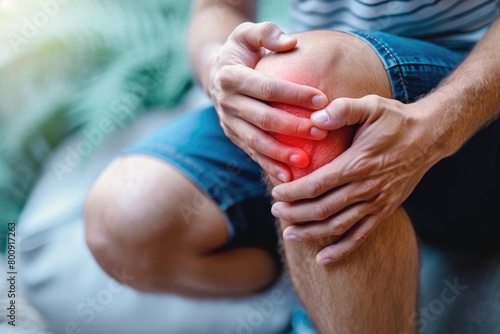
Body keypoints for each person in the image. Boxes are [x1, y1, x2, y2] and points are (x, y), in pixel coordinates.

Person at [84, 0, 500, 333]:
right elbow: (216, 8)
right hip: (327, 100)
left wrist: (437, 128)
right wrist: (219, 69)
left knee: (305, 82)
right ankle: (317, 298)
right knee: (123, 218)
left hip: (474, 114)